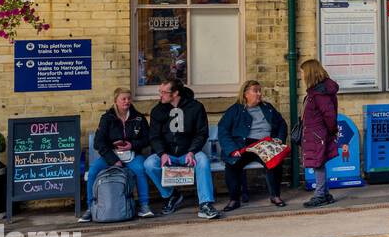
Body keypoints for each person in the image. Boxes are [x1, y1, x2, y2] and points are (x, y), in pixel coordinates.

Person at [143, 76, 219, 220]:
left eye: (164, 92)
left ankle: (206, 204)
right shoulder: (157, 111)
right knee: (149, 164)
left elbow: (202, 133)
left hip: (188, 153)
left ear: (175, 93)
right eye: (160, 91)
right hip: (168, 155)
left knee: (202, 161)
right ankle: (171, 195)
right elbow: (154, 136)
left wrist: (192, 151)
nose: (161, 95)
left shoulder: (196, 107)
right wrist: (162, 153)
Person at [217, 79, 289, 212]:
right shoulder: (235, 110)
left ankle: (275, 196)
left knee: (274, 161)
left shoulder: (268, 108)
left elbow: (282, 124)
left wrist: (279, 139)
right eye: (255, 91)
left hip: (265, 144)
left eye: (260, 91)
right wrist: (232, 150)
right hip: (243, 145)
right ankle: (234, 199)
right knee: (232, 164)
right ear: (245, 94)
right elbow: (223, 131)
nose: (259, 94)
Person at [81, 88, 152, 222]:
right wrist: (113, 160)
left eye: (129, 98)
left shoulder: (138, 117)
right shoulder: (107, 118)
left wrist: (132, 145)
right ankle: (91, 208)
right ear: (116, 101)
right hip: (111, 155)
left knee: (140, 169)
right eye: (123, 99)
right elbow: (98, 142)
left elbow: (147, 139)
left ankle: (144, 206)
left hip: (132, 154)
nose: (127, 101)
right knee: (93, 172)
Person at [299, 59, 339, 208]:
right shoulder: (317, 92)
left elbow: (329, 115)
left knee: (318, 164)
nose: (301, 76)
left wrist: (332, 131)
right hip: (316, 134)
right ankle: (325, 194)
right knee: (318, 163)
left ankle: (320, 195)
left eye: (302, 73)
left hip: (318, 135)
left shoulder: (319, 94)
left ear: (309, 73)